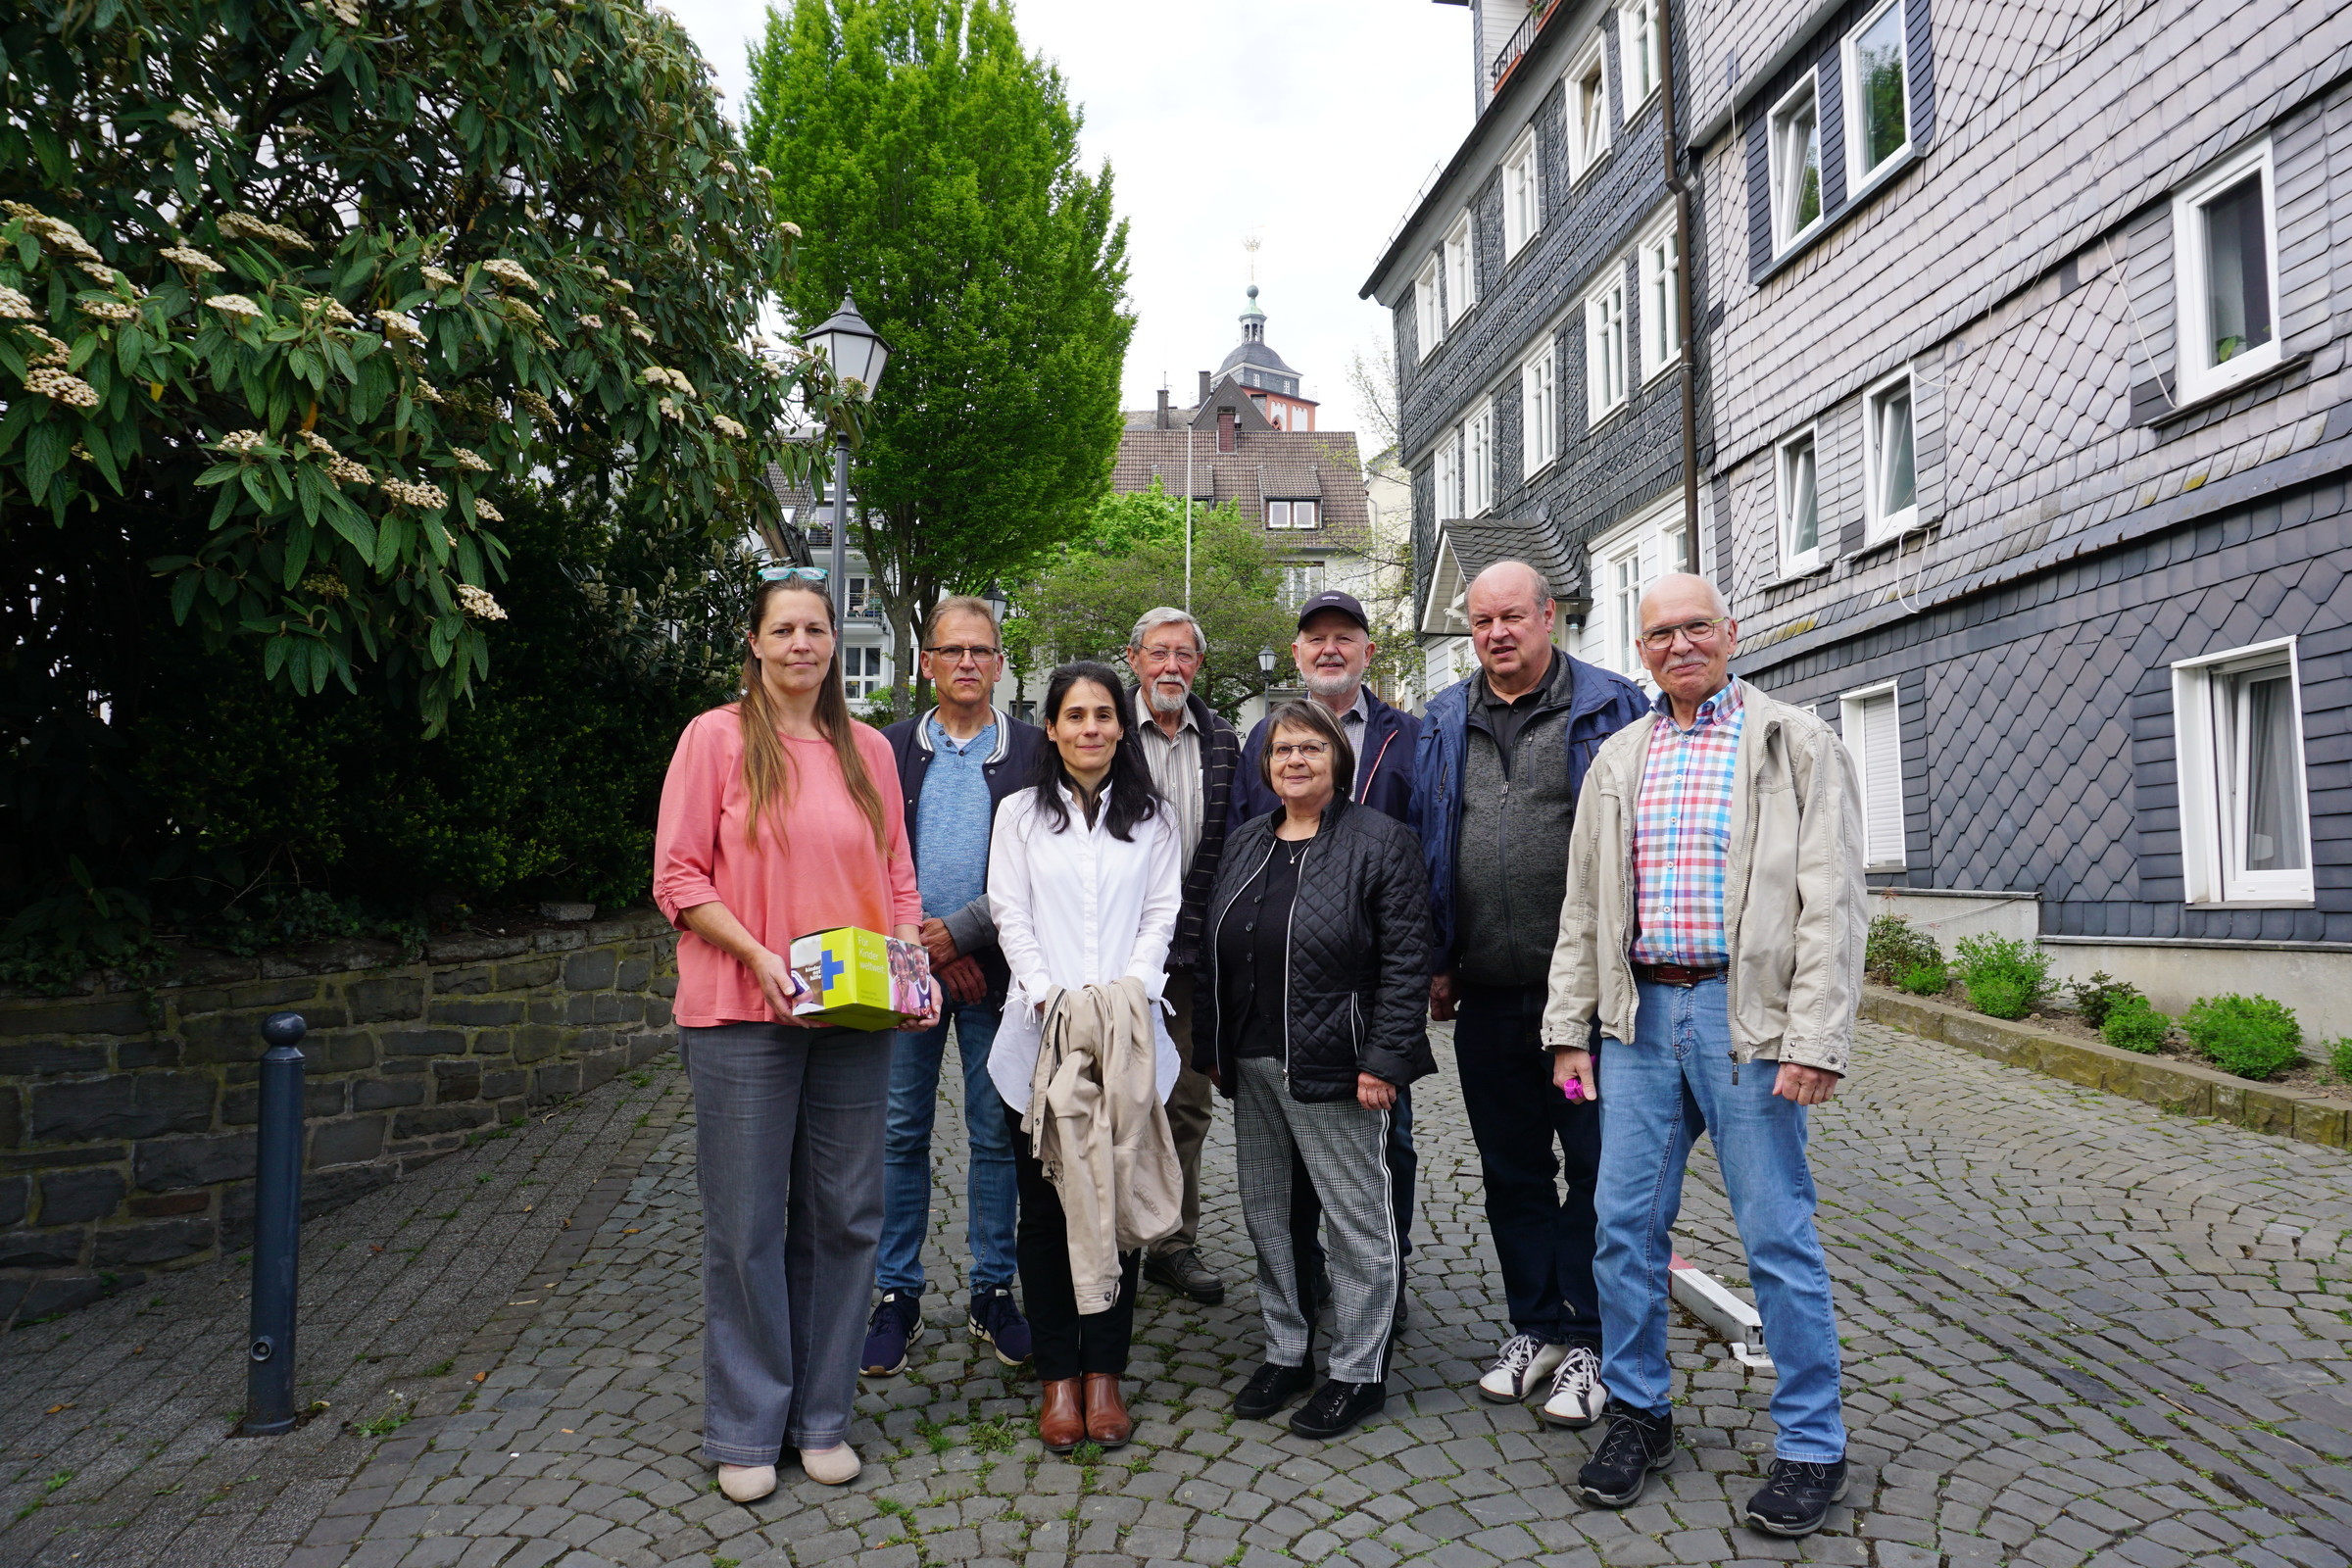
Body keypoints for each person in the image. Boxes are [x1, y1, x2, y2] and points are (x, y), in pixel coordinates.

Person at [1544, 572, 1865, 1538]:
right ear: (1641, 650)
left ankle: (1812, 1442)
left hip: (1745, 1019)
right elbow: (1586, 906)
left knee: (1777, 1235)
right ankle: (1640, 1408)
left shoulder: (1793, 742)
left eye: (1695, 628)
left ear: (1730, 631)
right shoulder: (1620, 756)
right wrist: (1570, 1025)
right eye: (1658, 633)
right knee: (1620, 1229)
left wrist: (1815, 1038)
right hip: (1638, 1020)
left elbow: (1834, 908)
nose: (1678, 645)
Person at [653, 574, 934, 1502]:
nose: (804, 643)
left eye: (816, 628)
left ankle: (823, 1419)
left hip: (852, 1017)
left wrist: (909, 972)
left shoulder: (867, 752)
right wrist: (758, 956)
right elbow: (679, 878)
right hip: (743, 1012)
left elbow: (897, 873)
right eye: (786, 629)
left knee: (847, 1219)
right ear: (756, 643)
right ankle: (745, 1428)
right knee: (745, 1228)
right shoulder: (717, 738)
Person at [1409, 560, 1647, 1427]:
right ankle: (1534, 1326)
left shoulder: (1614, 707)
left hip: (1580, 1009)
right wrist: (1436, 953)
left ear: (1549, 617)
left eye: (1513, 617)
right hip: (1487, 998)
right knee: (1511, 1171)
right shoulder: (1443, 718)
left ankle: (1590, 1336)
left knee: (1591, 1169)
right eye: (1481, 622)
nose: (1497, 634)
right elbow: (1426, 842)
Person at [1199, 700, 1434, 1440]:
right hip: (1253, 1058)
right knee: (1268, 1212)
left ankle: (1359, 1372)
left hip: (1341, 1062)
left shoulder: (1381, 841)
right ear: (1265, 767)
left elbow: (1405, 961)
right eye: (1280, 751)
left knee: (1358, 1219)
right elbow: (1215, 950)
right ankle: (1287, 1349)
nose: (1294, 761)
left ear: (1339, 760)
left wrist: (1385, 1059)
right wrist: (1213, 1048)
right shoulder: (1244, 842)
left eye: (1310, 748)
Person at [987, 661, 1185, 1453]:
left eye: (1104, 714)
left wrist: (1129, 994)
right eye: (1075, 716)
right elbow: (1009, 909)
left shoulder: (1154, 816)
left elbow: (1164, 909)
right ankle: (1057, 1380)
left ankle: (1105, 1376)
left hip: (1130, 1043)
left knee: (1118, 1200)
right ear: (1053, 727)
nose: (1091, 728)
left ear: (1119, 725)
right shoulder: (1020, 815)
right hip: (1038, 1041)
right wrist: (1049, 996)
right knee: (1044, 1216)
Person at [862, 597, 1046, 1378]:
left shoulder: (1036, 753)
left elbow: (1043, 871)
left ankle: (991, 1290)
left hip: (997, 978)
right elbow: (865, 861)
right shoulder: (887, 750)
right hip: (903, 970)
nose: (967, 662)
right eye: (952, 650)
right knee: (900, 1134)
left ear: (1001, 664)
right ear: (926, 662)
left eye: (982, 650)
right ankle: (894, 1295)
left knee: (994, 1135)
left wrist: (968, 938)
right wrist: (929, 952)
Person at [1233, 590, 1424, 1317]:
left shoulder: (1409, 736)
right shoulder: (1266, 737)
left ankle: (1381, 1278)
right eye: (1316, 640)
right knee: (1290, 1149)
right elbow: (1249, 846)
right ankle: (1312, 1279)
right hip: (1283, 987)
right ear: (1297, 655)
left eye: (1345, 637)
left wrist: (1426, 968)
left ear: (1368, 652)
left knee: (1386, 1141)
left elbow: (1428, 841)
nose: (1330, 649)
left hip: (1372, 984)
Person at [1122, 608, 1242, 1306]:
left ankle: (1172, 1239)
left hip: (1194, 958)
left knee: (1187, 1105)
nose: (1172, 666)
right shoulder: (1104, 730)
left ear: (1200, 664)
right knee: (1115, 1099)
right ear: (1134, 658)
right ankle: (1112, 1241)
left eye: (1185, 655)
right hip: (1111, 954)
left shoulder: (1225, 741)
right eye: (1158, 653)